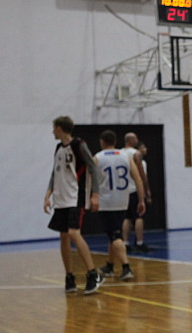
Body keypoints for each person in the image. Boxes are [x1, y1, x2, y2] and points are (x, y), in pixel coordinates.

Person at [43, 116, 104, 294]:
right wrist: (48, 194)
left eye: (54, 128)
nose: (52, 132)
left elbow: (92, 167)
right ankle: (69, 277)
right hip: (61, 199)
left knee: (73, 233)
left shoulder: (78, 145)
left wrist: (95, 194)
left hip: (75, 197)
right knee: (64, 237)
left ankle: (93, 274)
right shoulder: (58, 148)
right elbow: (54, 173)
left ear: (59, 128)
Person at [95, 130, 146, 281]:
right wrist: (141, 200)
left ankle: (126, 267)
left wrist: (90, 198)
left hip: (106, 201)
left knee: (115, 236)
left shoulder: (97, 157)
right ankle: (110, 266)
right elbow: (138, 179)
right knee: (113, 233)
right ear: (115, 141)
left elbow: (90, 180)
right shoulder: (125, 156)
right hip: (123, 201)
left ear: (102, 142)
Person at [121, 132, 152, 252]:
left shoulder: (119, 153)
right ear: (132, 140)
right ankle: (139, 243)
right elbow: (142, 176)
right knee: (139, 216)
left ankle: (125, 243)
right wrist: (146, 191)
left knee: (126, 217)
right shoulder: (136, 154)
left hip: (123, 190)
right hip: (134, 189)